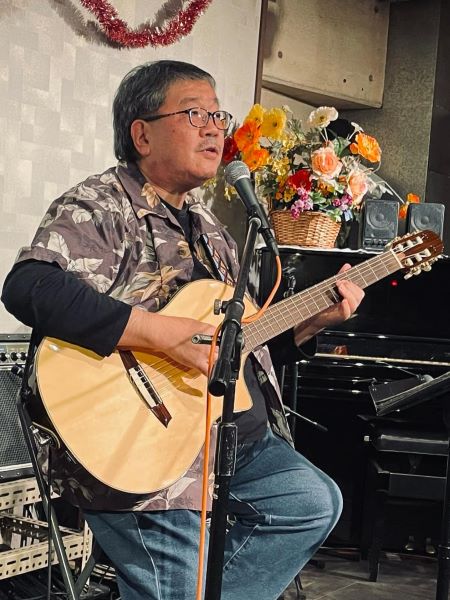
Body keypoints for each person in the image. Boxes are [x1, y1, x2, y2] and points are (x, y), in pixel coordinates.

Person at [1, 60, 364, 600]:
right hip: (136, 447)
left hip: (224, 442)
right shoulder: (102, 205)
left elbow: (228, 353)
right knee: (180, 581)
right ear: (142, 134)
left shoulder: (211, 229)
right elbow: (30, 286)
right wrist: (160, 333)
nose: (214, 128)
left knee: (309, 502)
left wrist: (308, 325)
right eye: (195, 114)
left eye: (218, 115)